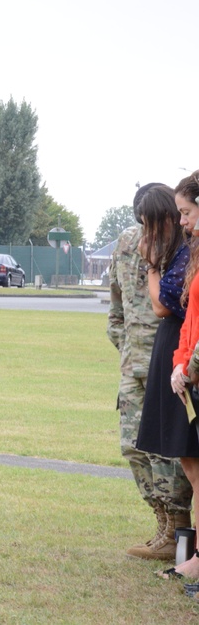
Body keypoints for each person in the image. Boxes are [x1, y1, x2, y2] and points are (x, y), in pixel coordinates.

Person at [108, 183, 192, 561]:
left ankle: (179, 530)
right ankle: (162, 524)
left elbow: (169, 308)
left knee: (173, 453)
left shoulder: (184, 245)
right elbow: (116, 306)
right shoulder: (127, 244)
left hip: (173, 359)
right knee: (135, 449)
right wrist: (124, 344)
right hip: (135, 362)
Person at [162, 172, 199, 579]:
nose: (183, 222)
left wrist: (189, 366)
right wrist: (180, 361)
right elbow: (192, 319)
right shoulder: (196, 253)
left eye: (187, 212)